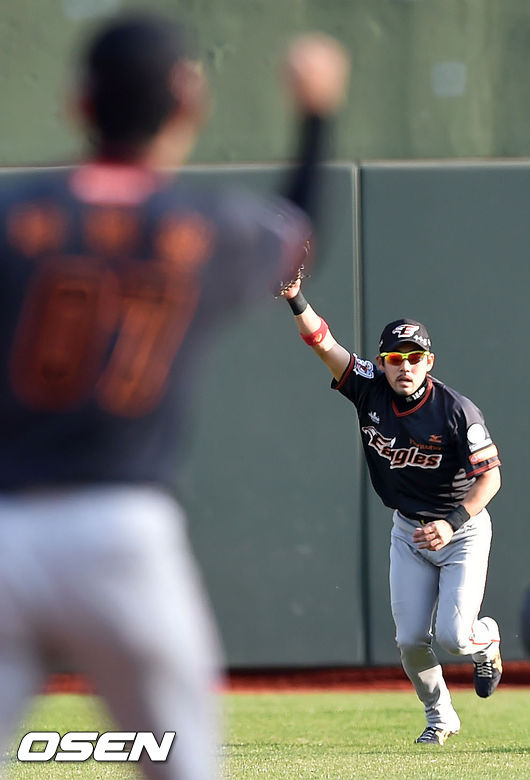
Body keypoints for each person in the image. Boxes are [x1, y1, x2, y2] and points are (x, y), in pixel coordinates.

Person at [0, 12, 349, 780]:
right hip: (125, 534)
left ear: (79, 103)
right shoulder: (203, 228)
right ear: (188, 103)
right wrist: (317, 113)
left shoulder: (13, 218)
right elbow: (298, 232)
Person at [281, 278, 502, 746]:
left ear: (429, 362)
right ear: (381, 363)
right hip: (408, 531)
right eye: (396, 358)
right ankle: (440, 717)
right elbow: (322, 342)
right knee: (409, 640)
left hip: (461, 531)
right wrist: (295, 298)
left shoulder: (456, 410)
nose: (406, 366)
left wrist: (452, 523)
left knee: (455, 638)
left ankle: (487, 640)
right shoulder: (370, 389)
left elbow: (491, 479)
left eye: (414, 358)